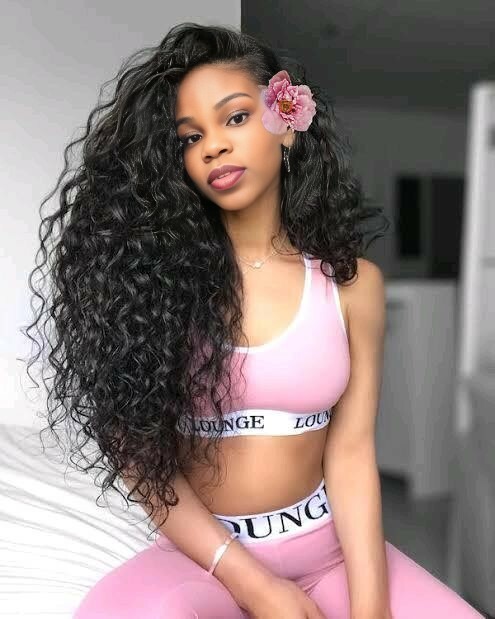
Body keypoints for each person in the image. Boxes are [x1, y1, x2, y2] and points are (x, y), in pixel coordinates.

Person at [23, 21, 484, 619]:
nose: (213, 146)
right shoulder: (151, 291)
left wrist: (371, 607)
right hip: (203, 561)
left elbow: (350, 453)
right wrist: (254, 585)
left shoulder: (354, 287)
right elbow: (136, 456)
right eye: (191, 137)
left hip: (328, 555)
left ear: (286, 125)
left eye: (235, 117)